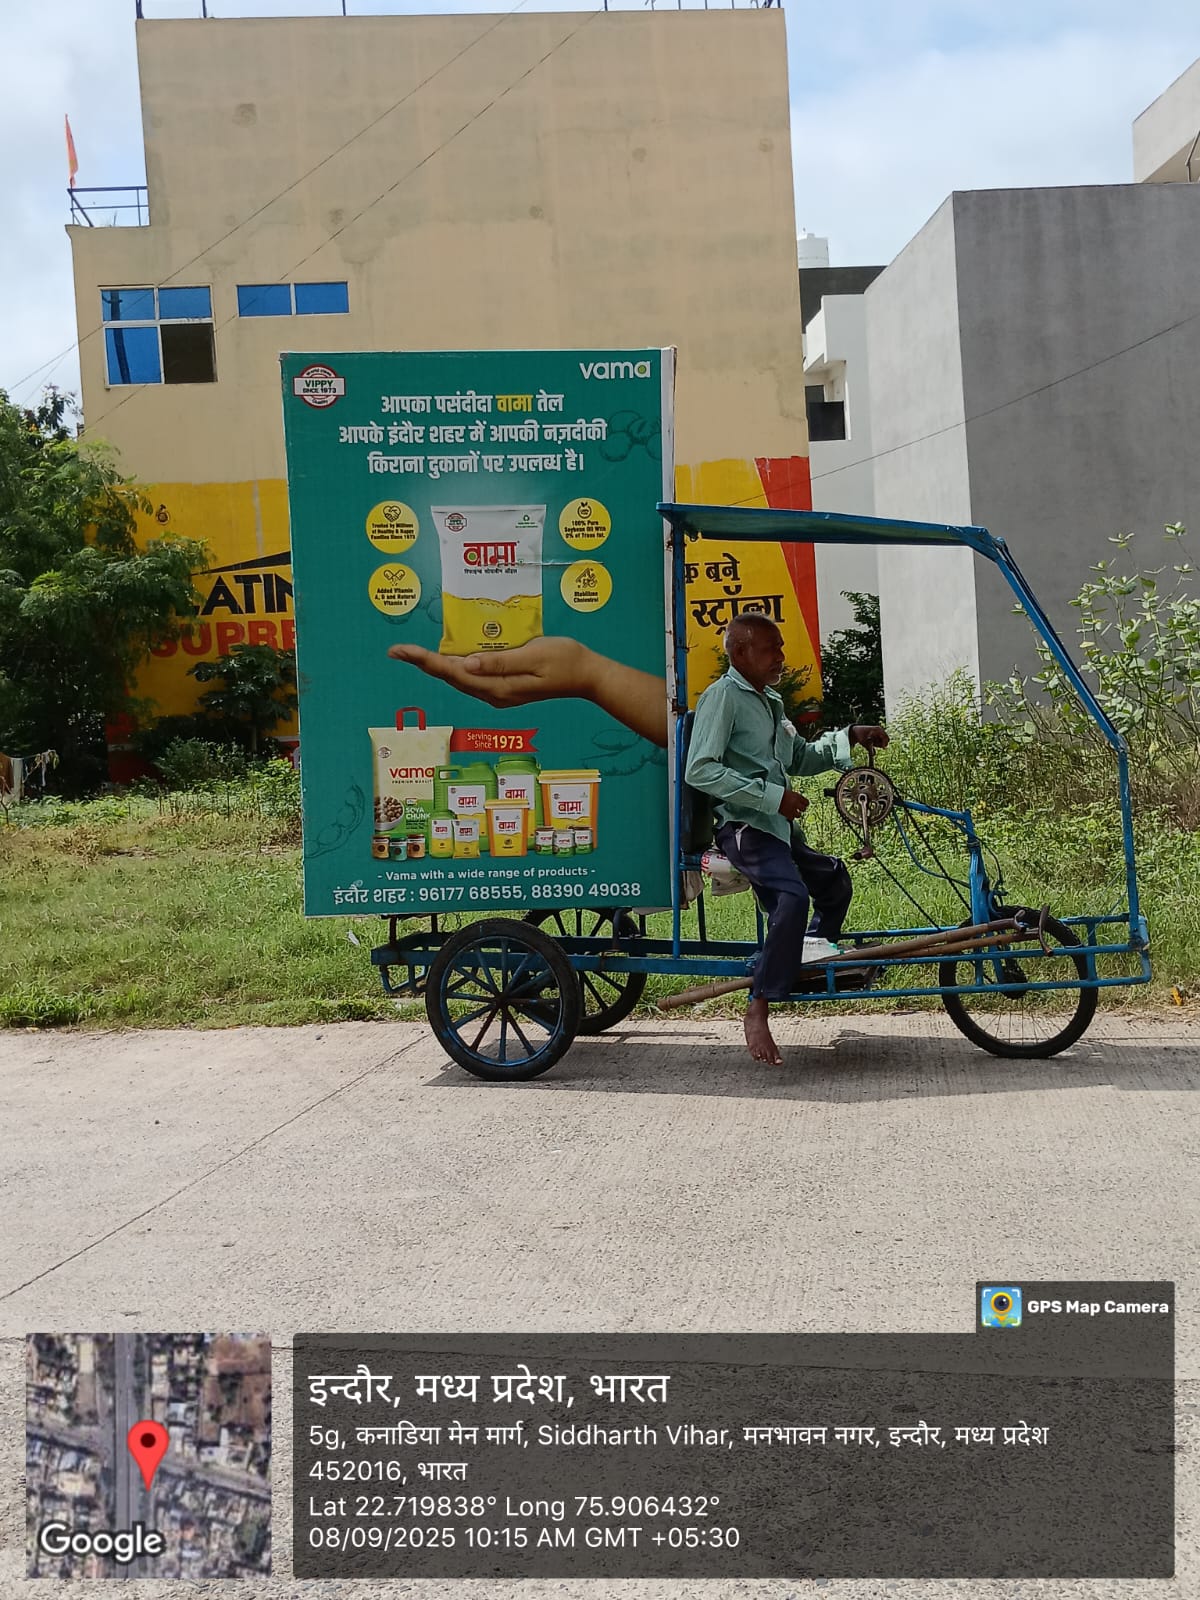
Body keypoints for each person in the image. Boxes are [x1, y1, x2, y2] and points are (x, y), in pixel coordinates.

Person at [685, 613, 888, 1067]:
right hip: (744, 827)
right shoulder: (723, 698)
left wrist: (850, 737)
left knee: (834, 881)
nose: (780, 657)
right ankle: (759, 1003)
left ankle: (802, 961)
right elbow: (700, 769)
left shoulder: (769, 700)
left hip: (777, 827)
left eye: (780, 648)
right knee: (791, 897)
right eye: (770, 649)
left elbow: (797, 757)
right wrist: (771, 798)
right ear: (740, 653)